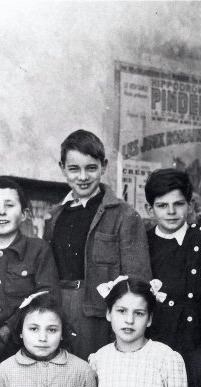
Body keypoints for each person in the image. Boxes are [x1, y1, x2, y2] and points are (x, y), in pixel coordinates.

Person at [43, 129, 151, 359]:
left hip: (98, 315)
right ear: (62, 168)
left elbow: (137, 279)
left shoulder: (124, 215)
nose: (83, 177)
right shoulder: (54, 217)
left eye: (91, 168)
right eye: (74, 169)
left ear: (104, 166)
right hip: (58, 308)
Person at [0, 176, 60, 363]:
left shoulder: (39, 250)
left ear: (24, 214)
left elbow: (46, 298)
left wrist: (7, 329)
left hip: (26, 350)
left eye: (9, 205)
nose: (1, 212)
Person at [143, 168, 201, 353]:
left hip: (195, 343)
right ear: (149, 210)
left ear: (190, 206)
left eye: (179, 204)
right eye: (162, 205)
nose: (171, 212)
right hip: (153, 342)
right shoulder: (143, 242)